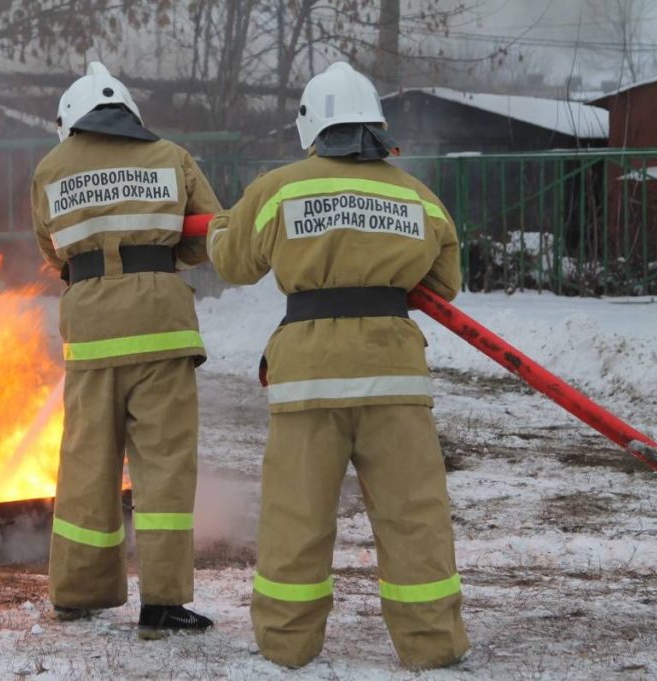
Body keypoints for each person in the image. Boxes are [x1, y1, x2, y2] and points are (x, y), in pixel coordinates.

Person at [206, 61, 470, 669]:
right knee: (414, 518)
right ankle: (432, 645)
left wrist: (223, 225)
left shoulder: (281, 188)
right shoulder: (416, 195)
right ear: (376, 128)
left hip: (309, 379)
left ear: (312, 127)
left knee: (296, 516)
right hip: (395, 379)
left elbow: (233, 261)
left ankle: (287, 644)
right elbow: (446, 284)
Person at [31, 62, 221, 638]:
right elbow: (203, 235)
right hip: (163, 330)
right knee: (163, 469)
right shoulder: (171, 155)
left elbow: (53, 251)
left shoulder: (50, 169)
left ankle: (79, 594)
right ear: (131, 113)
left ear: (71, 121)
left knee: (87, 465)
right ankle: (161, 604)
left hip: (91, 334)